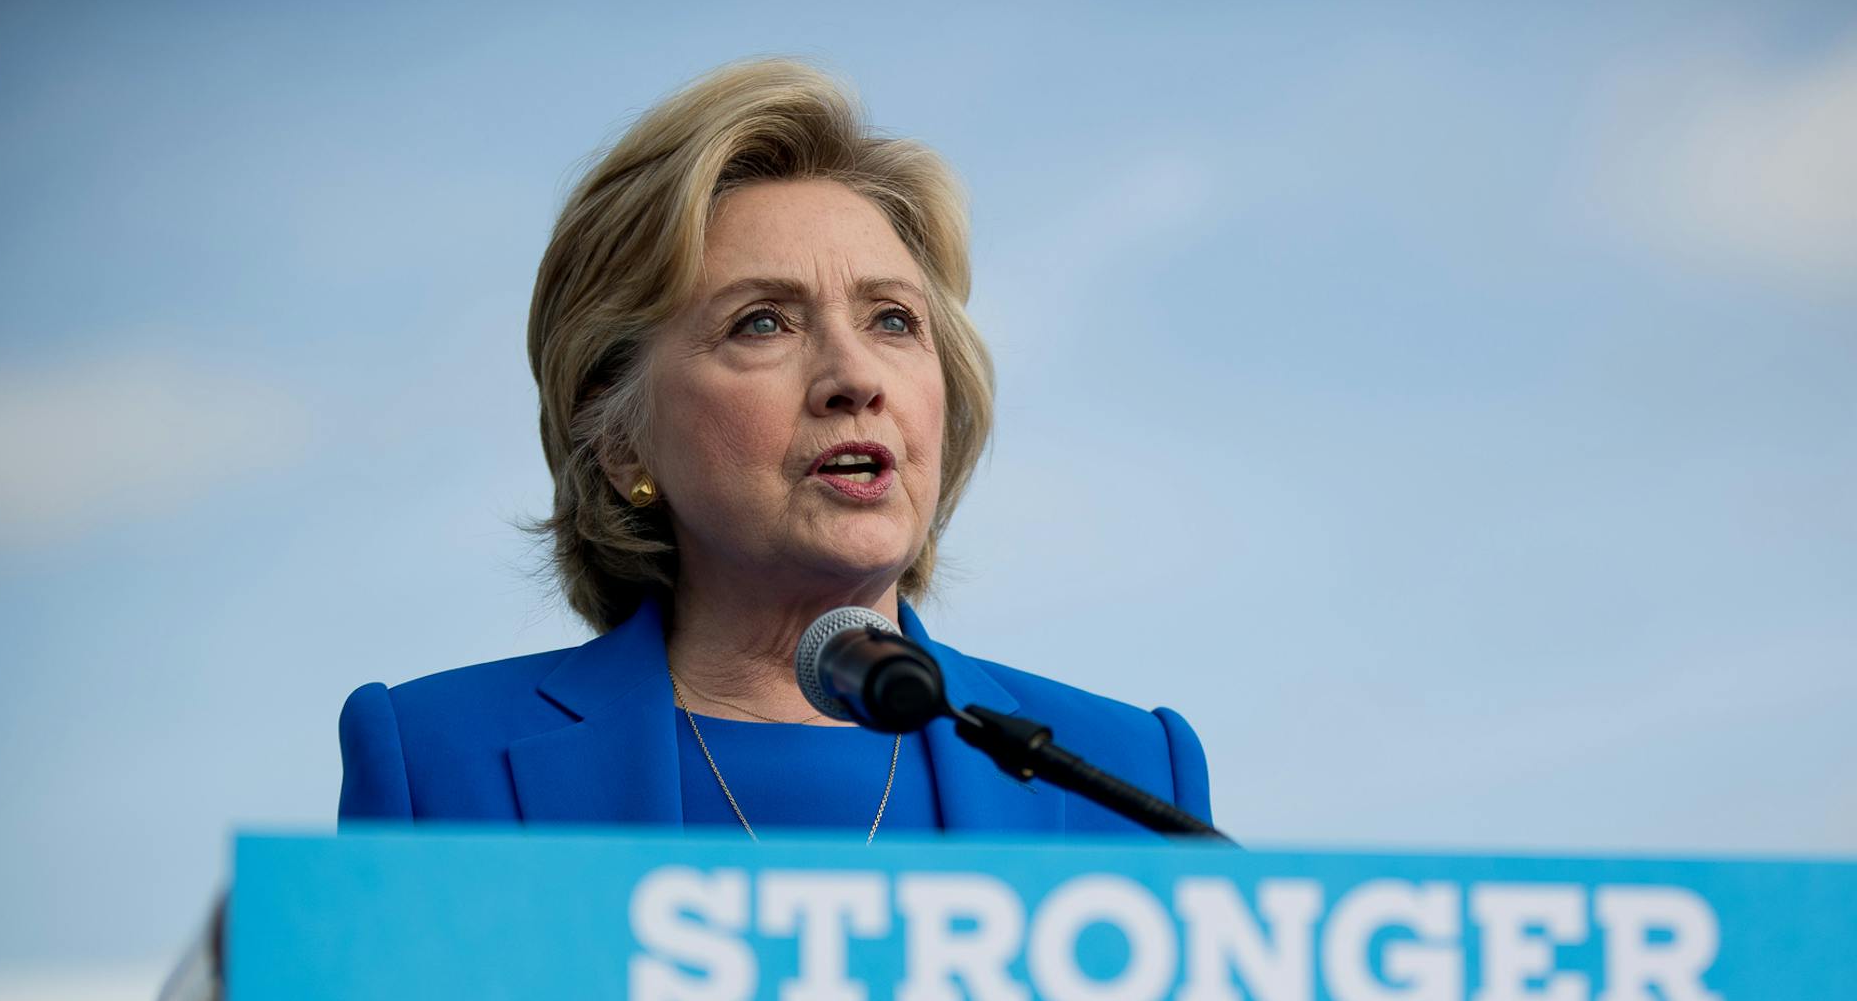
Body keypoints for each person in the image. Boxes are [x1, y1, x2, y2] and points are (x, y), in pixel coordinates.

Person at [338, 58, 1211, 837]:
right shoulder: (438, 767)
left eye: (892, 320)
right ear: (621, 442)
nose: (854, 376)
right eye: (764, 322)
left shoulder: (1128, 779)